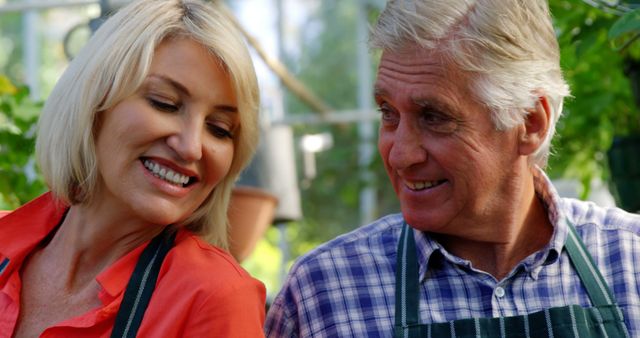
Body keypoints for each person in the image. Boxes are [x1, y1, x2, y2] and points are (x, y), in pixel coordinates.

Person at [265, 0, 640, 337]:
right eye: (388, 113)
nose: (400, 156)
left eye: (434, 117)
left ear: (530, 122)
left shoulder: (630, 259)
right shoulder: (324, 292)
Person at [0, 0, 266, 337]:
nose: (190, 146)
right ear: (94, 102)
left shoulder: (213, 297)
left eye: (220, 128)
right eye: (164, 103)